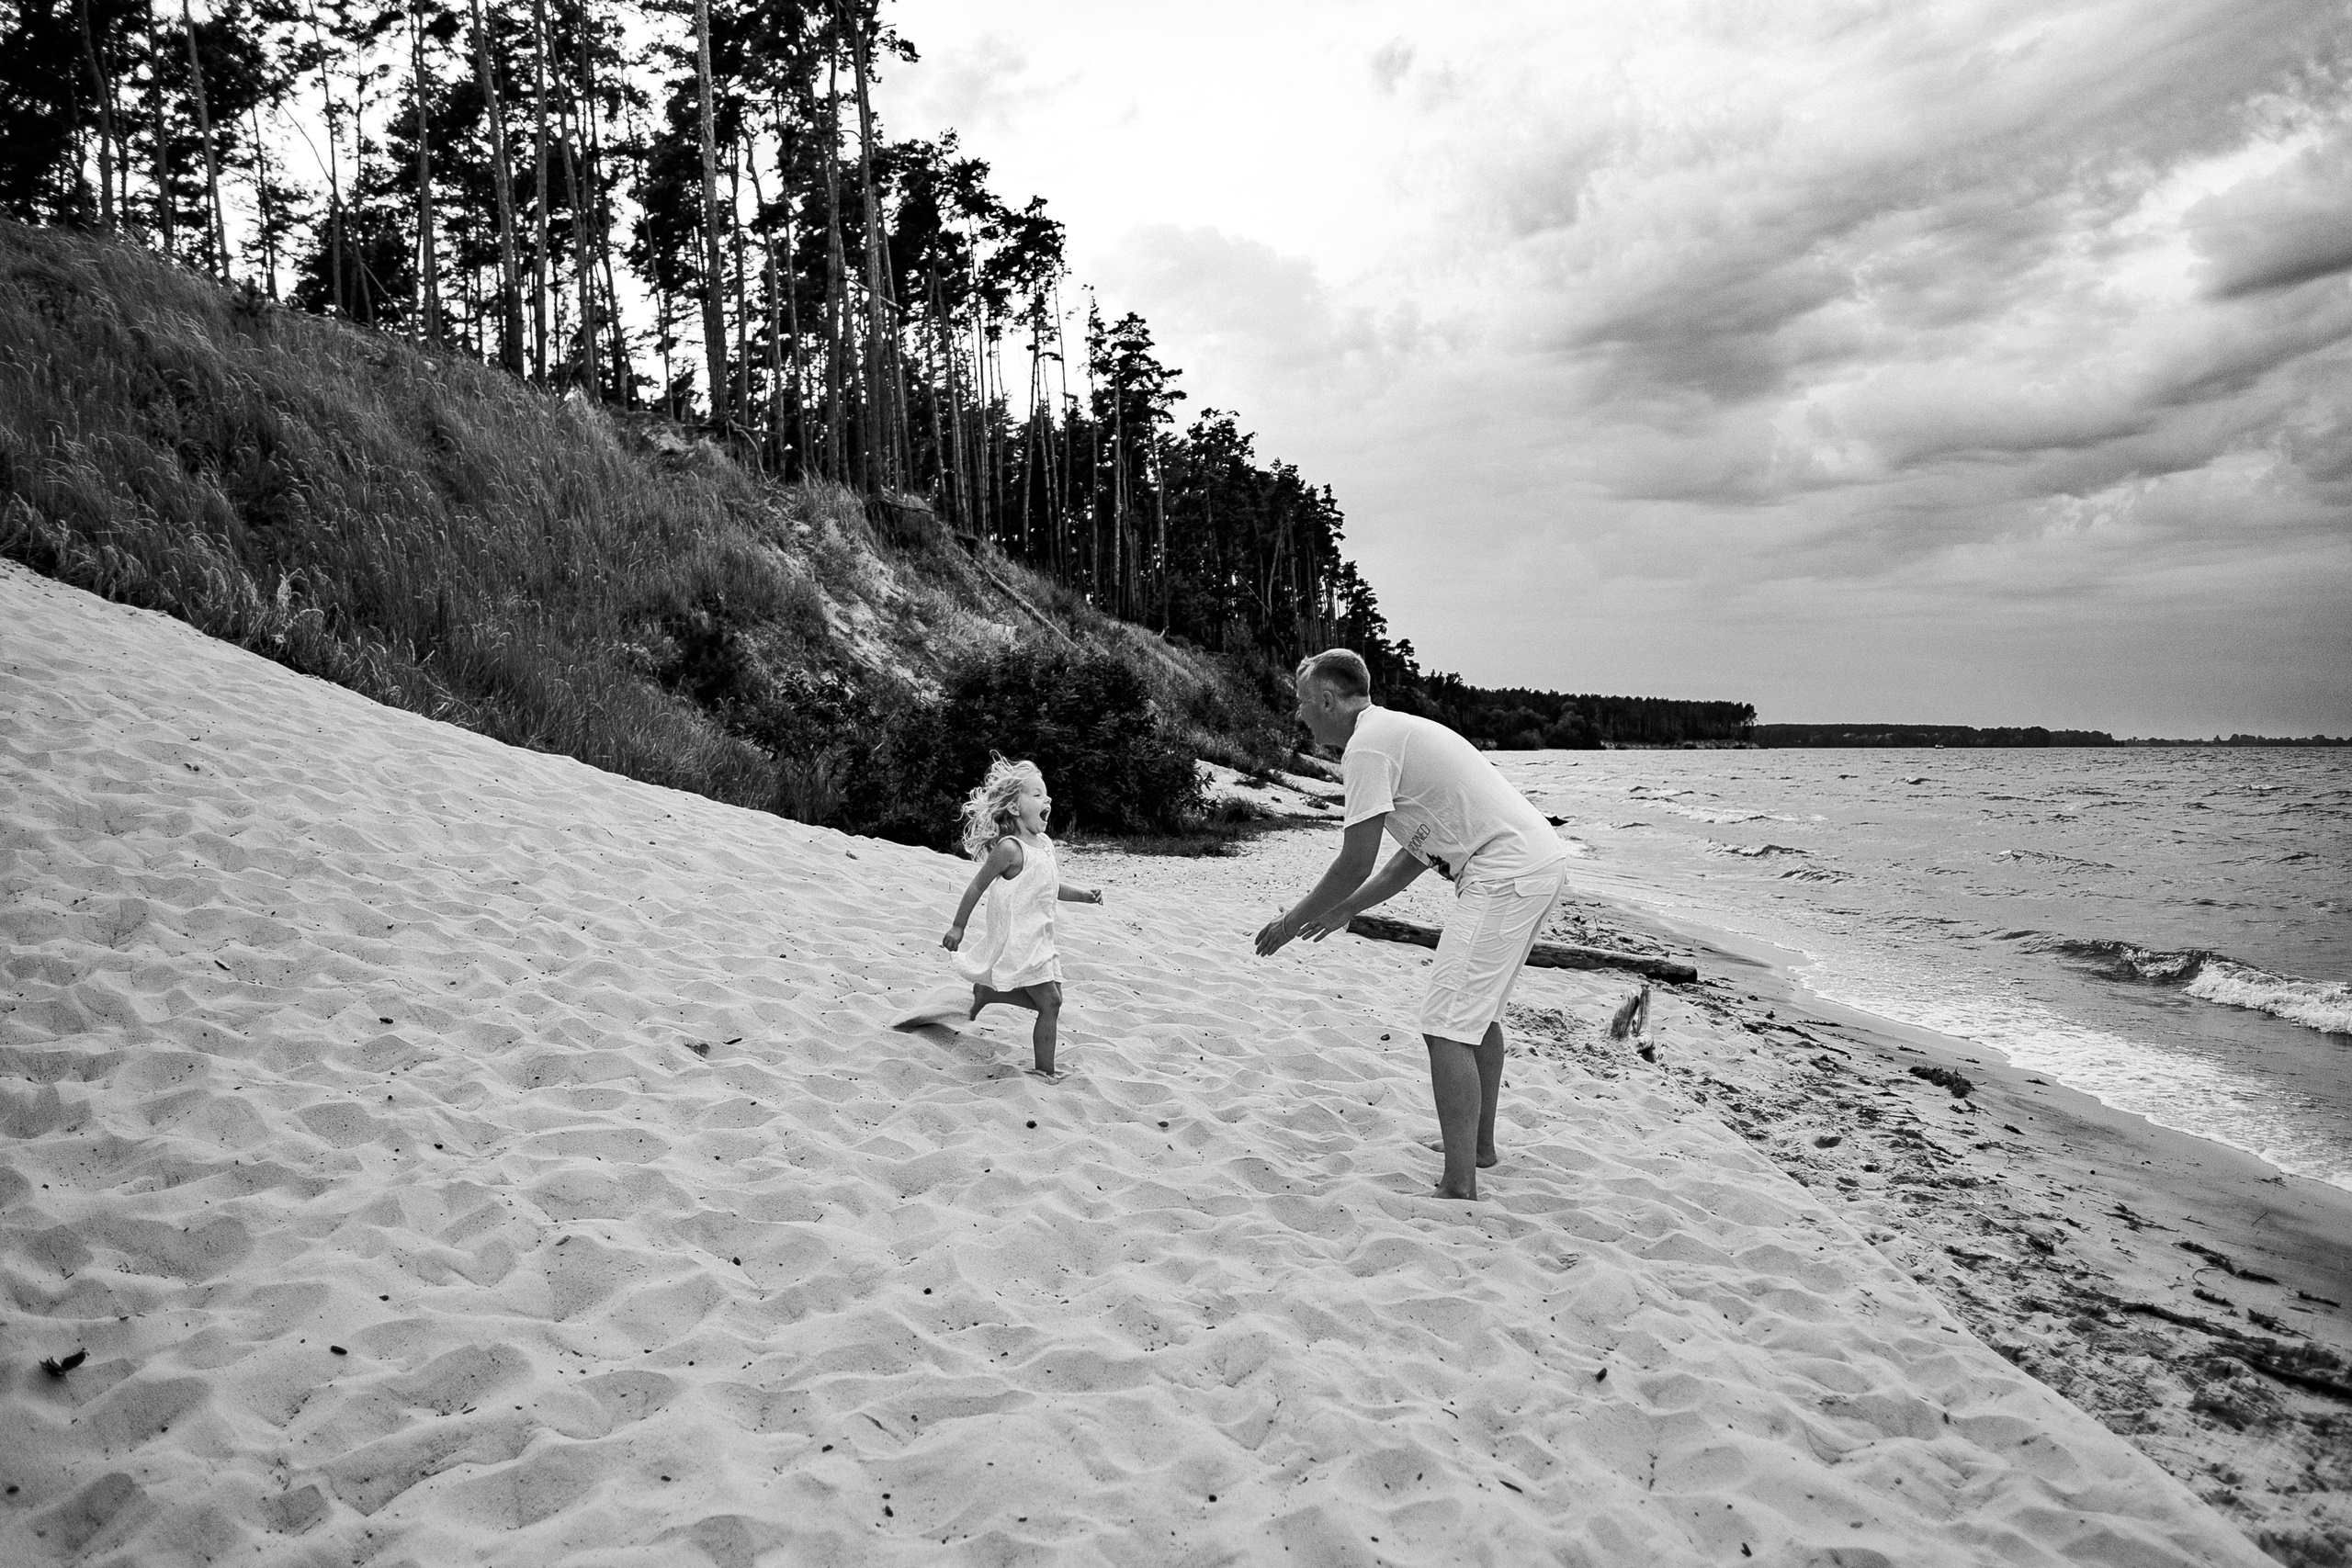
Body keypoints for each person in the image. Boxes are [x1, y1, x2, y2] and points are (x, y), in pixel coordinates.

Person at [1254, 649, 1569, 1200]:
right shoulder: (1391, 732)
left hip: (1505, 873)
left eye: (1303, 703)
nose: (1299, 715)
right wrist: (1351, 908)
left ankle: (1459, 1184)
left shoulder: (1368, 748)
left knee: (1445, 1023)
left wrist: (1290, 921)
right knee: (1476, 1016)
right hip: (1536, 863)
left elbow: (1355, 859)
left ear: (1328, 700)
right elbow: (1414, 852)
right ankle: (1478, 1148)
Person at [942, 756, 1103, 1077]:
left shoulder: (1044, 844)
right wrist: (958, 926)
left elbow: (1052, 885)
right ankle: (1045, 1071)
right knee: (1051, 1004)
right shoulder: (1010, 849)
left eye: (1046, 794)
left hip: (1042, 935)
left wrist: (1083, 896)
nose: (1048, 799)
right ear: (1015, 809)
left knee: (1053, 998)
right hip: (1021, 938)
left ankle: (989, 993)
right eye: (1038, 794)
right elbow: (976, 886)